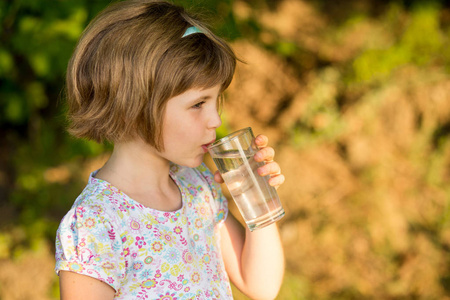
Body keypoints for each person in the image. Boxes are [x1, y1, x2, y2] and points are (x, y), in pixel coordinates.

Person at [55, 0, 285, 299]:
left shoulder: (197, 186)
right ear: (134, 106)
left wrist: (258, 200)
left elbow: (261, 286)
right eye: (198, 104)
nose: (215, 119)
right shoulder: (95, 224)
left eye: (216, 101)